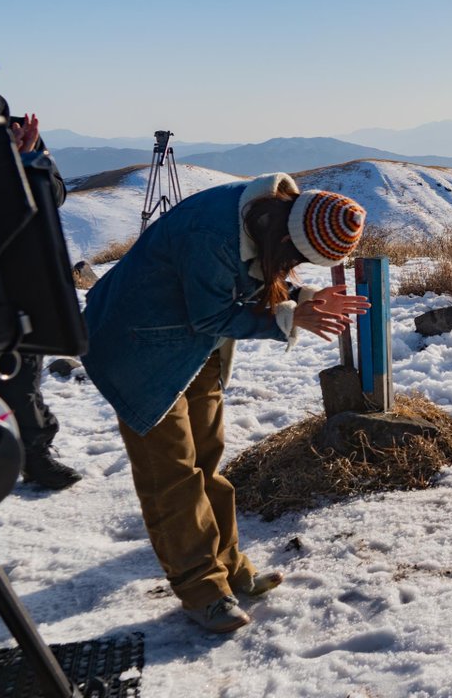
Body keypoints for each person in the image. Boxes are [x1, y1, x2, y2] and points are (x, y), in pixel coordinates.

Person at [81, 173, 370, 632]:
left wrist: (302, 297)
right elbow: (213, 311)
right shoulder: (213, 234)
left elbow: (252, 281)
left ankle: (230, 567)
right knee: (172, 474)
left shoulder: (263, 216)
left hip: (197, 349)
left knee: (207, 461)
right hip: (137, 347)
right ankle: (201, 591)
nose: (292, 267)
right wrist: (291, 317)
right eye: (296, 259)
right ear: (286, 230)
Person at [0, 59, 79, 490]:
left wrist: (27, 160)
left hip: (13, 279)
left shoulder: (10, 130)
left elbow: (55, 194)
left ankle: (36, 458)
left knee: (20, 373)